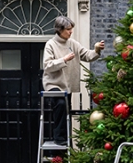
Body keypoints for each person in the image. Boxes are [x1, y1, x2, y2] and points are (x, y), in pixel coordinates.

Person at [42, 16, 104, 145]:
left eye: (71, 29)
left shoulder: (73, 44)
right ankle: (59, 138)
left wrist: (97, 50)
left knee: (66, 110)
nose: (71, 32)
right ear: (59, 30)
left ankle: (65, 141)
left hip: (67, 85)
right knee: (60, 105)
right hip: (53, 84)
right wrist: (64, 60)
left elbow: (87, 55)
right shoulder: (51, 44)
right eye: (68, 29)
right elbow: (47, 65)